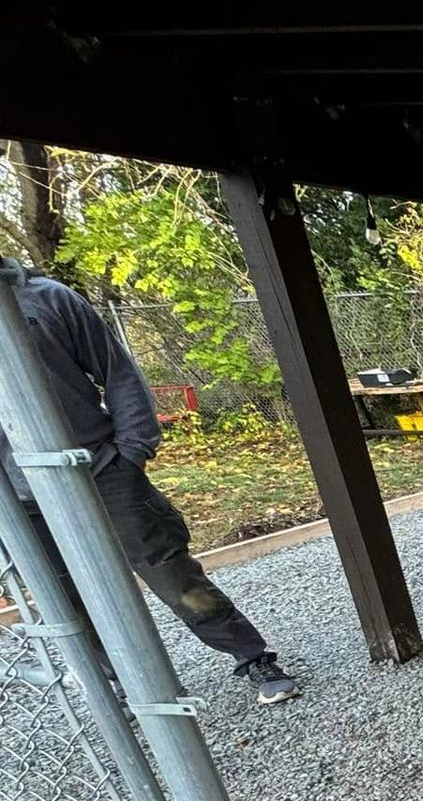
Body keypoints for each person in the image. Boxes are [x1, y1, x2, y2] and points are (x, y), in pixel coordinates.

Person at [1, 269, 298, 704]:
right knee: (63, 595)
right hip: (18, 496)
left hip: (101, 470)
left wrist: (132, 451)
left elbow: (116, 372)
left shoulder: (45, 299)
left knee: (174, 575)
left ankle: (252, 656)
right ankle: (115, 682)